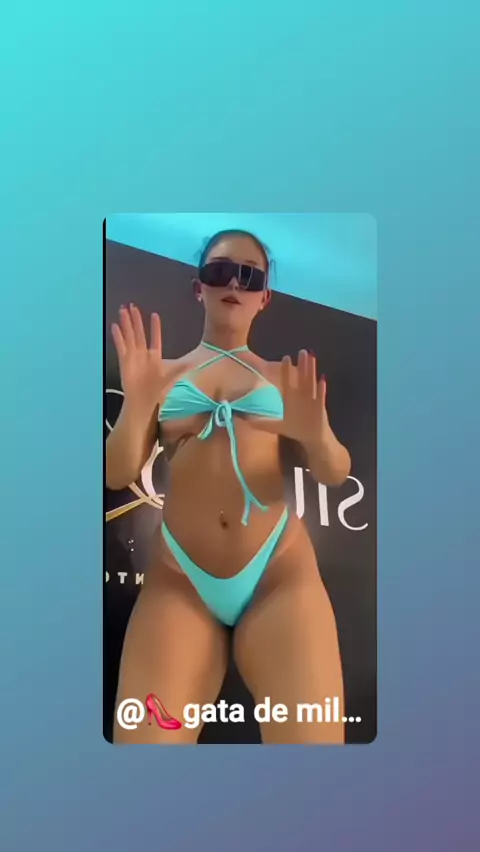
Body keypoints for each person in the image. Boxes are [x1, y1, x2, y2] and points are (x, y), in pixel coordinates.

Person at [107, 229, 351, 744]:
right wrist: (136, 405)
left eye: (249, 276)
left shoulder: (284, 379)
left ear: (265, 297)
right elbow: (116, 473)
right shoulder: (159, 376)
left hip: (278, 574)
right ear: (199, 286)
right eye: (220, 271)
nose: (234, 284)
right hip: (179, 578)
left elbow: (334, 472)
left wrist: (318, 437)